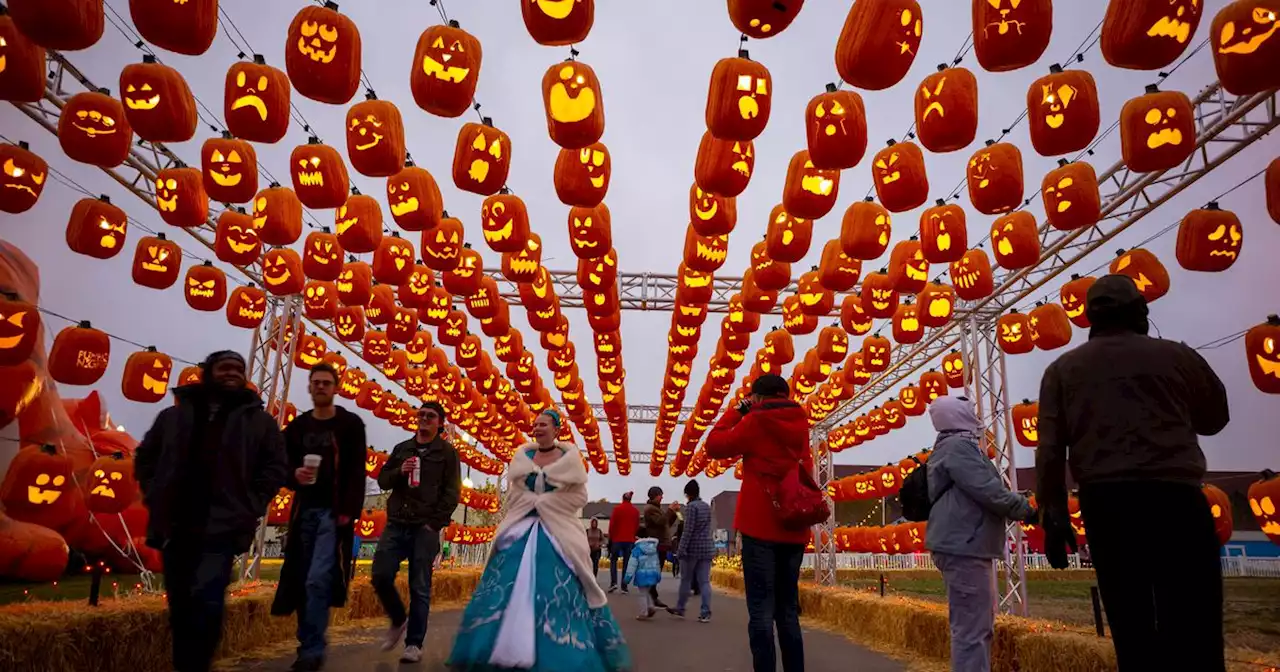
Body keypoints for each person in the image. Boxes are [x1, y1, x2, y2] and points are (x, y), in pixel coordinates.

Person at [1036, 274, 1230, 671]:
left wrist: (1052, 515)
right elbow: (1215, 419)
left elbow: (1050, 451)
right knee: (1195, 619)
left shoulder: (1063, 370)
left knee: (1131, 621)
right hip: (1176, 497)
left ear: (1089, 318)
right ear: (1140, 312)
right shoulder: (1177, 356)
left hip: (1107, 504)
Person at [134, 350, 289, 672]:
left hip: (224, 524)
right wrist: (154, 492)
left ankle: (198, 663)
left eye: (238, 368)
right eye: (224, 368)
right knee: (180, 603)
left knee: (207, 598)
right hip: (177, 523)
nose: (231, 373)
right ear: (207, 373)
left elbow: (274, 467)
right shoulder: (174, 417)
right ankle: (186, 664)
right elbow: (145, 456)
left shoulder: (259, 422)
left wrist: (254, 503)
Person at [448, 410, 632, 670]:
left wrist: (547, 502)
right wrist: (530, 502)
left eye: (543, 425)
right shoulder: (524, 457)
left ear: (556, 429)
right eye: (535, 425)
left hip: (557, 530)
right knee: (503, 581)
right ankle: (499, 649)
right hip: (521, 528)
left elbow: (578, 498)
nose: (537, 428)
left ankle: (557, 651)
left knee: (558, 582)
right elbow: (513, 496)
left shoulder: (569, 460)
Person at [705, 374, 810, 672]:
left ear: (757, 399)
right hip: (794, 527)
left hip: (759, 526)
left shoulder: (756, 421)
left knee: (762, 611)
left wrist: (738, 410)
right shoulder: (801, 423)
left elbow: (715, 444)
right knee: (788, 610)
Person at [924, 395, 1036, 672]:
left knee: (973, 625)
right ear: (959, 416)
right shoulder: (959, 448)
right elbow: (987, 489)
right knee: (972, 630)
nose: (976, 415)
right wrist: (1027, 510)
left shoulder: (950, 447)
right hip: (964, 543)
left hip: (963, 542)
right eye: (969, 410)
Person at [270, 364, 369, 670]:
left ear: (336, 388)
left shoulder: (349, 424)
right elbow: (279, 464)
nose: (321, 387)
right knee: (301, 579)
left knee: (317, 579)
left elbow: (356, 470)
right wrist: (293, 475)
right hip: (304, 512)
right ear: (310, 388)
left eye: (327, 382)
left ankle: (312, 648)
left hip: (333, 514)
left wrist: (348, 511)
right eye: (317, 382)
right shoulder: (298, 428)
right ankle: (307, 643)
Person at [373, 402, 461, 664]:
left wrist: (434, 524)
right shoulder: (403, 449)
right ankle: (398, 618)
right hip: (397, 522)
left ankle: (414, 643)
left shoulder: (446, 453)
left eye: (430, 416)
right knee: (380, 574)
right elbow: (382, 480)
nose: (423, 418)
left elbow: (452, 492)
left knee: (419, 586)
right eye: (421, 414)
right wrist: (400, 472)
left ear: (440, 423)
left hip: (424, 527)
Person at [670, 479, 714, 623]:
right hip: (706, 548)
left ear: (687, 494)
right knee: (704, 582)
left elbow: (687, 531)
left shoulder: (691, 508)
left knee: (686, 580)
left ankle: (681, 608)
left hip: (692, 549)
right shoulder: (707, 506)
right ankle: (705, 612)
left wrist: (680, 550)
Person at [641, 486, 671, 610]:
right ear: (655, 495)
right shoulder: (650, 509)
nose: (662, 497)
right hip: (656, 544)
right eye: (660, 495)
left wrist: (672, 514)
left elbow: (666, 522)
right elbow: (660, 522)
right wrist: (670, 511)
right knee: (654, 572)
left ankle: (652, 597)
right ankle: (651, 599)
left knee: (656, 572)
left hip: (661, 543)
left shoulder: (656, 508)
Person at [625, 526, 661, 621]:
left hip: (642, 574)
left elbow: (632, 564)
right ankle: (650, 606)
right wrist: (658, 574)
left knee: (642, 593)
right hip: (653, 573)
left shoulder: (637, 549)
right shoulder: (654, 548)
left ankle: (643, 612)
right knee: (647, 591)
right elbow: (657, 562)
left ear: (637, 537)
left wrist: (628, 577)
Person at [608, 491, 640, 593]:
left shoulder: (617, 509)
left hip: (617, 539)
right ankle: (624, 586)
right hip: (629, 540)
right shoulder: (635, 511)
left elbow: (612, 525)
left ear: (622, 499)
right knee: (626, 563)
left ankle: (614, 583)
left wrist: (611, 538)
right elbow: (637, 526)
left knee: (613, 560)